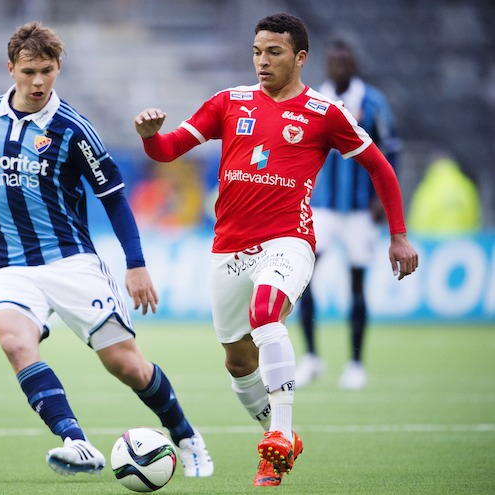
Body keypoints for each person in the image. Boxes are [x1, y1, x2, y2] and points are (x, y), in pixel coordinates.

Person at [134, 13, 418, 487]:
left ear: (300, 57)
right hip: (229, 247)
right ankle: (276, 432)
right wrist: (149, 137)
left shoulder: (325, 114)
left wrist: (398, 233)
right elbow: (167, 151)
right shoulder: (229, 102)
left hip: (289, 241)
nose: (261, 62)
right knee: (237, 361)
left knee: (266, 312)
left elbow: (381, 168)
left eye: (274, 53)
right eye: (256, 52)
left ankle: (280, 440)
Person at [0, 21, 213, 479]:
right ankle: (77, 441)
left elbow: (114, 196)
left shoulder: (74, 129)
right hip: (10, 265)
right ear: (10, 68)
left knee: (125, 365)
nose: (37, 81)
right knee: (14, 340)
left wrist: (136, 265)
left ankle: (186, 435)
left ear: (59, 68)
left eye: (46, 71)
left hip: (71, 261)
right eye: (28, 71)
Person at [295, 39, 402, 390]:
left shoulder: (373, 103)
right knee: (302, 277)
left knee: (357, 284)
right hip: (321, 207)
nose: (339, 67)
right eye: (334, 61)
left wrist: (379, 203)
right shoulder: (314, 100)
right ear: (326, 66)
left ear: (354, 65)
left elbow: (391, 152)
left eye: (345, 61)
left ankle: (356, 364)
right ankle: (311, 357)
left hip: (359, 211)